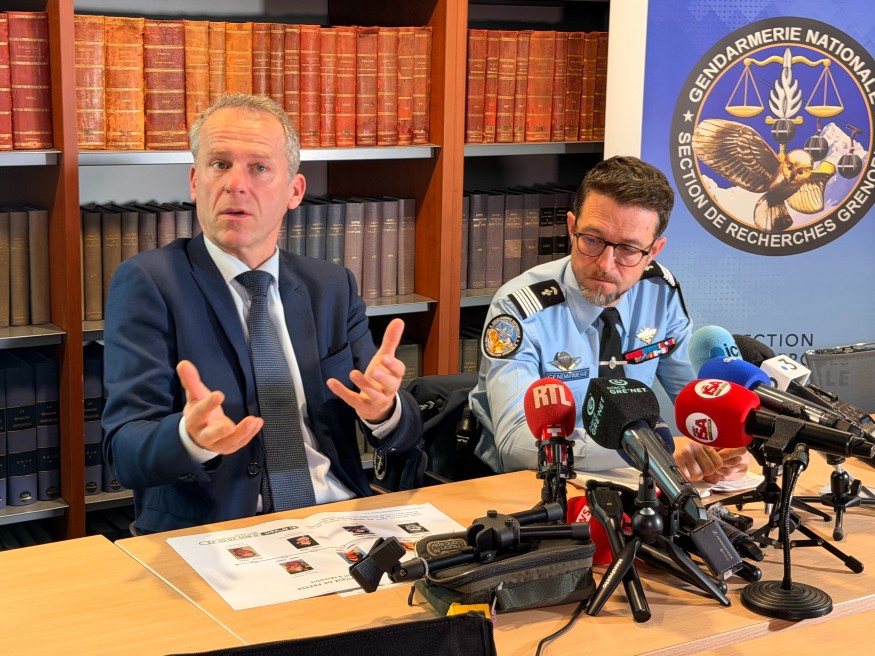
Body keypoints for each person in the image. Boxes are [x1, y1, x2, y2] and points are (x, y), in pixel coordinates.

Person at [102, 93, 423, 534]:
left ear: (294, 191)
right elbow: (123, 452)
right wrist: (188, 438)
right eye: (219, 164)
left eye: (259, 168)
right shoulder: (150, 283)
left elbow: (406, 433)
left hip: (338, 518)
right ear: (195, 182)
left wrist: (384, 411)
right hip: (218, 531)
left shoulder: (330, 285)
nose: (236, 184)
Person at [468, 155, 749, 483]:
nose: (605, 264)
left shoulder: (659, 293)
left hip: (632, 479)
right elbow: (514, 443)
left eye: (628, 249)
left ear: (653, 252)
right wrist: (645, 452)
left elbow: (696, 399)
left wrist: (722, 445)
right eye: (593, 239)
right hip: (533, 484)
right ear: (571, 227)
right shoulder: (519, 309)